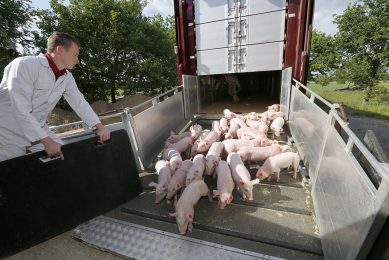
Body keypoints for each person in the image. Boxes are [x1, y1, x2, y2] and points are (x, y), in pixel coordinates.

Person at [0, 32, 110, 162]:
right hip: (7, 132)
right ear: (60, 50)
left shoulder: (66, 77)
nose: (77, 60)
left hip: (38, 128)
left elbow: (80, 103)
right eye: (75, 55)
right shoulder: (25, 65)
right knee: (9, 173)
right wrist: (47, 142)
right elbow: (20, 109)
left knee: (64, 158)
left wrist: (100, 127)